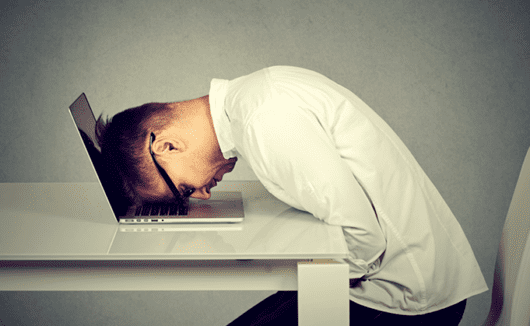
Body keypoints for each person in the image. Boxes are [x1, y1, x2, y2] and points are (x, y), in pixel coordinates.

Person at [96, 66, 488, 325]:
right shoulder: (254, 98)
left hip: (407, 300)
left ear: (165, 146)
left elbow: (365, 241)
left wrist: (267, 266)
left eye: (181, 190)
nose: (198, 195)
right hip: (397, 280)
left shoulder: (265, 121)